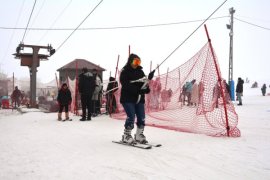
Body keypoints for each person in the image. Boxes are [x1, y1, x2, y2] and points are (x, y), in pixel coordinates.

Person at [120, 53, 154, 144]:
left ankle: (139, 135)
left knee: (141, 117)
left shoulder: (140, 72)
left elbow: (143, 84)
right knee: (131, 116)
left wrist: (146, 89)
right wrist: (138, 90)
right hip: (128, 98)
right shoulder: (125, 71)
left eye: (139, 62)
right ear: (130, 61)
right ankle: (126, 135)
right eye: (135, 61)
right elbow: (126, 85)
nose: (137, 64)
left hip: (139, 98)